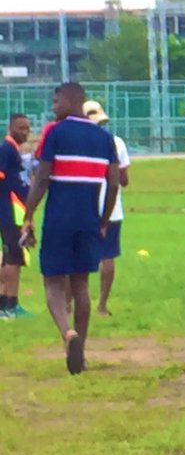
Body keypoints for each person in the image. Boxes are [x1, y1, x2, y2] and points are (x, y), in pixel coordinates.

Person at [19, 82, 120, 374]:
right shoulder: (105, 139)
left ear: (71, 100)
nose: (53, 107)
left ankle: (67, 334)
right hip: (89, 220)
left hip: (59, 219)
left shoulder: (56, 133)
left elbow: (41, 179)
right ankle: (82, 353)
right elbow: (113, 184)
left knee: (52, 281)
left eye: (56, 100)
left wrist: (28, 215)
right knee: (81, 285)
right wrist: (103, 221)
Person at [83, 101, 130, 317]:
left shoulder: (77, 142)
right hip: (112, 209)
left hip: (83, 207)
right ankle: (102, 305)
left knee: (76, 258)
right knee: (107, 256)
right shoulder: (116, 142)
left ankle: (69, 303)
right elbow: (123, 180)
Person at [0, 113, 32, 319]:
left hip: (15, 211)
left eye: (27, 128)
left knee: (11, 257)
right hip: (9, 212)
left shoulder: (13, 150)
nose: (25, 132)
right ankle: (10, 305)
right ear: (11, 128)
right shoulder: (6, 150)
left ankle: (5, 302)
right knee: (13, 257)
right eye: (21, 128)